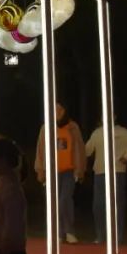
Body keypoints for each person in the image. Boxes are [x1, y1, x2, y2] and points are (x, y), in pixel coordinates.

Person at [83, 120, 127, 245]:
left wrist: (126, 156)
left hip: (116, 171)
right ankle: (102, 235)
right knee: (100, 205)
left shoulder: (120, 131)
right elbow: (87, 150)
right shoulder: (98, 132)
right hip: (102, 171)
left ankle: (115, 236)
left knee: (115, 204)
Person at [34, 101, 86, 244]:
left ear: (65, 111)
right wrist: (40, 170)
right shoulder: (46, 128)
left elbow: (80, 148)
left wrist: (80, 169)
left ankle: (69, 231)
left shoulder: (73, 127)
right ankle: (58, 232)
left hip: (69, 170)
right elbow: (40, 149)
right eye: (55, 109)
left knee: (65, 199)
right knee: (54, 202)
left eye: (60, 109)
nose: (57, 112)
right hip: (51, 171)